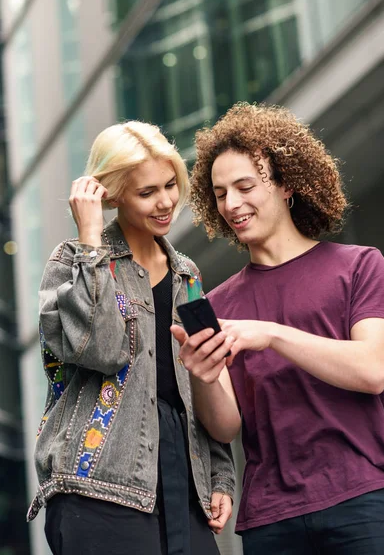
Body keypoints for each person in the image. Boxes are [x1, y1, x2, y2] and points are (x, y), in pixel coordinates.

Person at [171, 103, 384, 554]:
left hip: (363, 498)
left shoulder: (359, 267)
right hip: (271, 519)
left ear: (286, 184)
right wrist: (202, 375)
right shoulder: (216, 305)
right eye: (220, 194)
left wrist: (272, 334)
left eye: (245, 186)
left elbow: (372, 370)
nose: (232, 204)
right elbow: (224, 428)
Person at [27, 120, 235, 555]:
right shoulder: (71, 262)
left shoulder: (187, 275)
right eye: (147, 192)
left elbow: (201, 377)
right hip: (100, 482)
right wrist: (90, 242)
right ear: (112, 194)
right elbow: (100, 350)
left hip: (184, 476)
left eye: (170, 185)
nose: (165, 203)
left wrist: (220, 477)